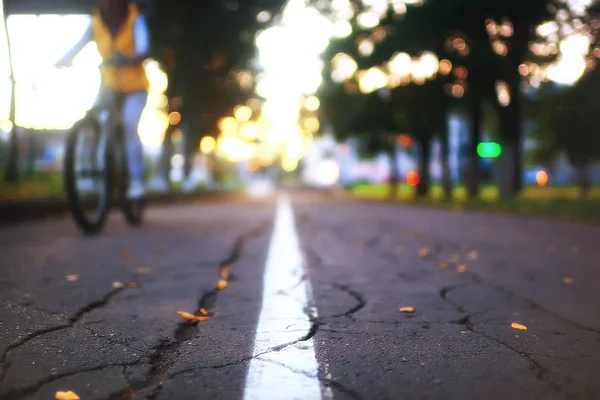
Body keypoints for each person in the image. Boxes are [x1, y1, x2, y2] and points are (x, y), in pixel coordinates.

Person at [56, 0, 149, 199]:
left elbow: (143, 47)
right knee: (93, 120)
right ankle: (88, 174)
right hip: (109, 85)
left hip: (135, 87)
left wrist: (133, 57)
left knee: (128, 126)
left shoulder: (135, 19)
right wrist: (66, 58)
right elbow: (80, 44)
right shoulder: (96, 21)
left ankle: (136, 180)